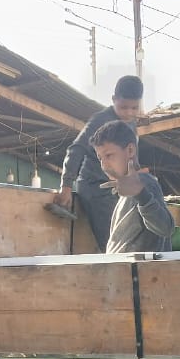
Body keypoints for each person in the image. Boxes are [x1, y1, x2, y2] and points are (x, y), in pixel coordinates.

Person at [55, 75, 144, 250]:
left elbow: (132, 160)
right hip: (96, 188)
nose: (129, 113)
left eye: (134, 108)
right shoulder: (100, 120)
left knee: (134, 237)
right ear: (113, 100)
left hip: (119, 191)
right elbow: (77, 149)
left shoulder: (132, 125)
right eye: (123, 107)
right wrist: (66, 186)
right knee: (115, 244)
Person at [90, 120, 174, 253]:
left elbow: (166, 228)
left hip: (140, 273)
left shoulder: (145, 183)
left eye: (109, 155)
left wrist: (141, 194)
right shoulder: (129, 190)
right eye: (100, 158)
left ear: (130, 150)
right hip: (123, 272)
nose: (104, 165)